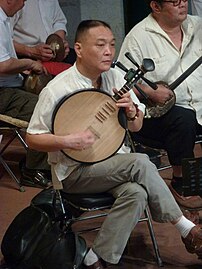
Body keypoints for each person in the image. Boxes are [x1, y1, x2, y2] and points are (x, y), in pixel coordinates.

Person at [26, 19, 202, 268]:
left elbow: (136, 127)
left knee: (136, 193)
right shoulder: (58, 89)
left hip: (114, 163)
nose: (109, 51)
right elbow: (33, 138)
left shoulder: (116, 77)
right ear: (78, 48)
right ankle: (186, 228)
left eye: (111, 44)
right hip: (75, 172)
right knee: (140, 162)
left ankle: (96, 258)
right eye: (100, 45)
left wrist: (132, 112)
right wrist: (66, 140)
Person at [117, 0, 202, 209]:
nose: (183, 5)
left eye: (185, 0)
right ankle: (181, 182)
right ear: (156, 6)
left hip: (199, 104)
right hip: (158, 116)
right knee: (184, 118)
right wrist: (149, 91)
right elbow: (119, 83)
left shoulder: (198, 26)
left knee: (190, 116)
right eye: (175, 2)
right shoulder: (139, 36)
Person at [0, 0, 51, 188]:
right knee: (45, 109)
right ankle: (32, 170)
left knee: (53, 96)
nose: (23, 5)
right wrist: (29, 63)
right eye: (22, 1)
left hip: (9, 85)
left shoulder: (4, 19)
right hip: (3, 92)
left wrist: (20, 69)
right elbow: (2, 65)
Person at [11, 0, 76, 72]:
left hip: (51, 50)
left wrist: (60, 45)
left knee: (82, 63)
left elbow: (59, 21)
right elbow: (4, 39)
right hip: (25, 53)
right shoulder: (15, 3)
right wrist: (31, 51)